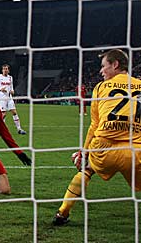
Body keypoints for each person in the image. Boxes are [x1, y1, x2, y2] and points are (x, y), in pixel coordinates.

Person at [53, 49, 141, 225]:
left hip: (104, 147)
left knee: (86, 170)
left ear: (115, 65)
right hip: (135, 150)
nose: (101, 71)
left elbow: (94, 123)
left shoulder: (101, 87)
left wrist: (84, 150)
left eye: (103, 66)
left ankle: (62, 213)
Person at [0, 64, 27, 135]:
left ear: (8, 70)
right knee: (3, 114)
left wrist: (12, 90)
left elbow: (11, 86)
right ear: (2, 70)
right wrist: (0, 89)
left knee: (14, 112)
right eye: (4, 69)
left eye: (6, 69)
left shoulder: (10, 77)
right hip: (1, 98)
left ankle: (19, 129)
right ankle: (0, 129)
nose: (5, 70)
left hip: (9, 97)